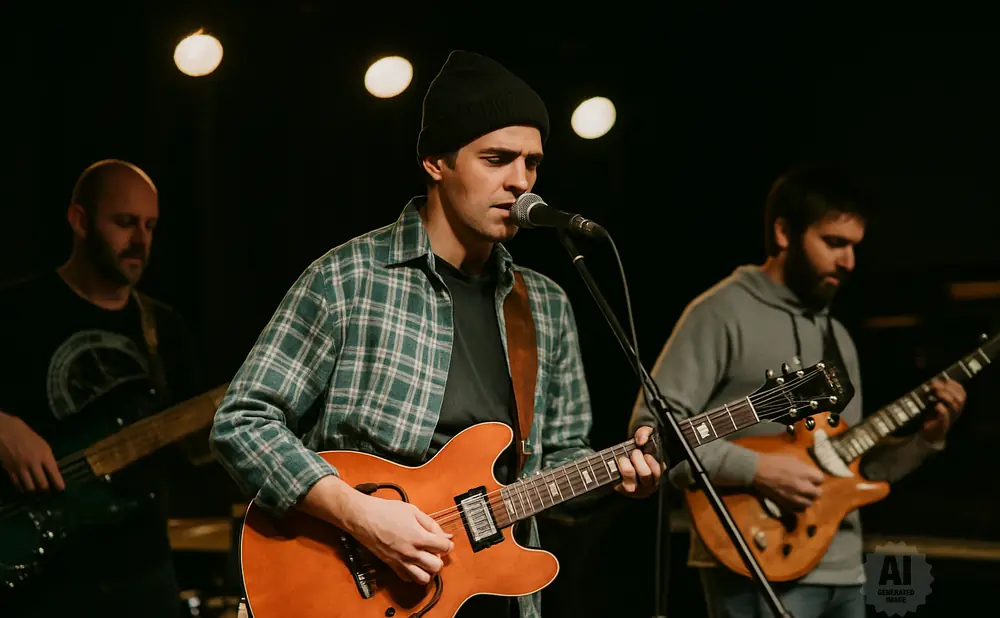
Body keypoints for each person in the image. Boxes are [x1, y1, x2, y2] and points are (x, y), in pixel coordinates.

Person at [210, 50, 663, 618]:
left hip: (488, 596)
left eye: (533, 163)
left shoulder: (544, 305)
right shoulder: (349, 279)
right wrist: (360, 514)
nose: (521, 182)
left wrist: (617, 477)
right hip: (353, 591)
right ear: (435, 162)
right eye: (497, 159)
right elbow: (242, 422)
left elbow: (556, 463)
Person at [628, 162, 967, 618]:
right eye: (834, 243)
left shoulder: (839, 337)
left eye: (854, 247)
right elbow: (653, 434)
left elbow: (858, 466)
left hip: (846, 572)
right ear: (784, 232)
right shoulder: (719, 311)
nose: (848, 261)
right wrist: (757, 471)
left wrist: (928, 439)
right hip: (755, 562)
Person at [0, 159, 203, 618]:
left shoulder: (165, 328)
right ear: (79, 220)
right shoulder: (15, 311)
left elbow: (197, 450)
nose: (140, 240)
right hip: (35, 581)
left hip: (143, 578)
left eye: (150, 226)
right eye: (125, 223)